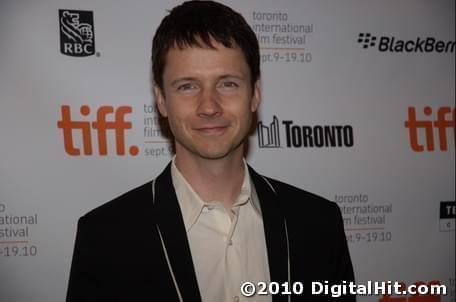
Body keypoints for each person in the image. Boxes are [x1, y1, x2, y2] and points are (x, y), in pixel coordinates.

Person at [66, 1, 355, 301]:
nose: (209, 107)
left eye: (228, 84)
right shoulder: (104, 238)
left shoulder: (319, 225)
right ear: (161, 100)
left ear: (254, 94)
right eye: (188, 87)